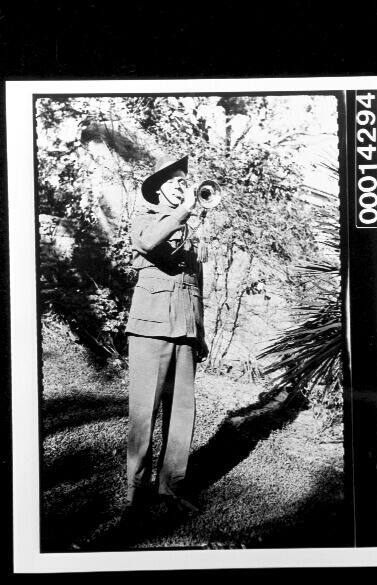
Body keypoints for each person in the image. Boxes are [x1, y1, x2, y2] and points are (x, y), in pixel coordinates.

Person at [123, 153, 208, 520]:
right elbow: (147, 244)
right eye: (175, 182)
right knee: (145, 410)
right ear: (159, 190)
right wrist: (182, 213)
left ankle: (171, 488)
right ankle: (134, 494)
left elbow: (195, 286)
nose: (182, 186)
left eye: (183, 181)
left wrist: (200, 333)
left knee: (182, 412)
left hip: (185, 330)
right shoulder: (145, 219)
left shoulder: (189, 233)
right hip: (150, 328)